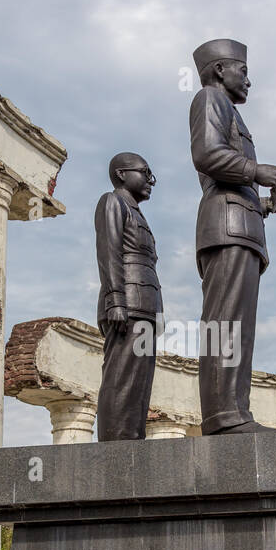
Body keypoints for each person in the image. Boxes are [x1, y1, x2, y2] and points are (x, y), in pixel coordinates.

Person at [190, 38, 276, 433]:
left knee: (240, 329)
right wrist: (256, 171)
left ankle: (237, 413)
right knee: (225, 323)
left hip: (244, 224)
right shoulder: (209, 100)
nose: (248, 80)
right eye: (243, 70)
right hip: (226, 225)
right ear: (220, 70)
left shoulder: (230, 109)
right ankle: (223, 418)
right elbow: (206, 154)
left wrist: (269, 203)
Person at [94, 152, 162, 440]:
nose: (151, 180)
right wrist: (115, 300)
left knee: (140, 381)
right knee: (121, 376)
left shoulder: (136, 211)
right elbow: (109, 252)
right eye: (145, 172)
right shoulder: (112, 201)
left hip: (145, 306)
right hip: (127, 305)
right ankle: (116, 443)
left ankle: (133, 438)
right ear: (122, 174)